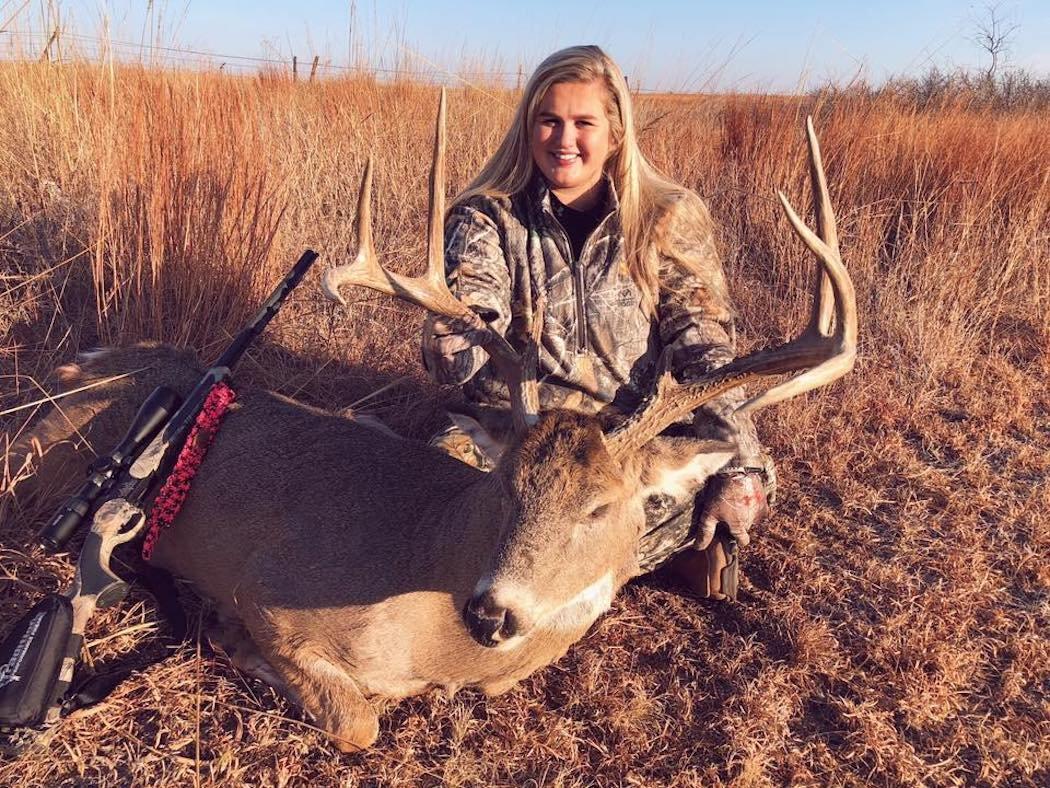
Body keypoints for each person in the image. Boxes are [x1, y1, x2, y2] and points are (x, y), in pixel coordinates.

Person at [420, 45, 774, 593]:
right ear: (527, 128)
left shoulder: (666, 216)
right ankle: (612, 564)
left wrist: (741, 462)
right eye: (549, 121)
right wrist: (455, 340)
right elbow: (470, 326)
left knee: (707, 478)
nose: (564, 140)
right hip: (520, 431)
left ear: (615, 132)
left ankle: (576, 563)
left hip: (622, 442)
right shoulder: (485, 216)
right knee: (437, 489)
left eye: (583, 122)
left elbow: (702, 345)